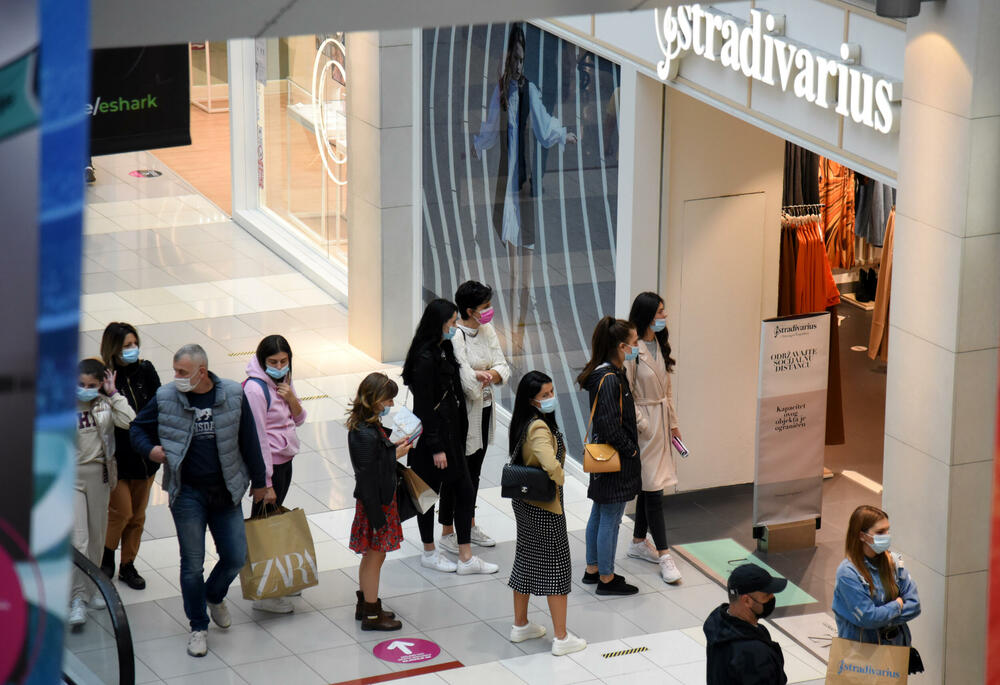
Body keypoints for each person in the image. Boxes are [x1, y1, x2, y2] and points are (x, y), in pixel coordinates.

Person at [130, 344, 274, 658]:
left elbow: (250, 439)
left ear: (202, 372)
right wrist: (150, 450)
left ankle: (214, 594)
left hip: (226, 490)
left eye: (182, 372)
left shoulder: (234, 395)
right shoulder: (167, 397)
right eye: (175, 370)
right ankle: (198, 626)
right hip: (187, 493)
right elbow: (137, 428)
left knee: (236, 556)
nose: (176, 377)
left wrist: (262, 482)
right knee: (192, 564)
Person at [472, 24, 577, 354]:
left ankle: (518, 323)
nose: (518, 64)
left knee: (523, 263)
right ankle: (512, 322)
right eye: (514, 58)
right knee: (513, 263)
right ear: (507, 58)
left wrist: (564, 134)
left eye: (521, 58)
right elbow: (489, 129)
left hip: (525, 185)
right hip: (509, 184)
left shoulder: (528, 90)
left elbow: (545, 128)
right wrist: (475, 145)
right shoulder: (502, 92)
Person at [402, 299, 497, 575]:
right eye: (452, 322)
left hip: (452, 435)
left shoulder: (443, 349)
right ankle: (429, 551)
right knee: (428, 496)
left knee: (464, 490)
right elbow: (424, 408)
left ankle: (466, 556)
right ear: (439, 323)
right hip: (433, 442)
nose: (455, 327)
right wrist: (436, 447)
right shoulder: (424, 358)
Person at [506, 371, 587, 656]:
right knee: (557, 567)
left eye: (552, 392)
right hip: (545, 505)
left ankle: (520, 624)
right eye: (545, 395)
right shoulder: (539, 427)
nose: (551, 398)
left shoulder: (522, 421)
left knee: (526, 557)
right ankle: (562, 638)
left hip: (524, 501)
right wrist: (561, 477)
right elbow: (548, 461)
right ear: (532, 400)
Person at [440, 280, 511, 553]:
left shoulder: (487, 329)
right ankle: (447, 528)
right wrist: (481, 376)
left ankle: (468, 522)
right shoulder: (456, 336)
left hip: (484, 409)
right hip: (462, 414)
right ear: (469, 310)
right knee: (457, 471)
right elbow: (466, 381)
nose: (489, 311)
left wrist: (488, 375)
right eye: (485, 306)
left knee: (476, 470)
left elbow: (502, 367)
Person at [243, 334, 308, 614]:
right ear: (262, 360)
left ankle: (278, 577)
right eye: (273, 362)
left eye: (284, 361)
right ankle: (265, 593)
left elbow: (300, 418)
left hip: (285, 459)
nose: (280, 366)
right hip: (268, 467)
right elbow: (256, 438)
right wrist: (264, 482)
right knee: (263, 525)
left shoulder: (284, 381)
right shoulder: (255, 390)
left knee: (274, 520)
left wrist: (291, 397)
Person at [70, 358, 136, 630]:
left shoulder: (105, 403)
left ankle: (90, 590)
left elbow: (130, 420)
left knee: (97, 538)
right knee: (80, 540)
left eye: (91, 385)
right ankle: (75, 599)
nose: (85, 389)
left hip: (99, 476)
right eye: (80, 384)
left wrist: (114, 393)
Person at [578, 317, 642, 595]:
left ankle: (593, 568)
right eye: (635, 343)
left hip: (605, 458)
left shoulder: (607, 374)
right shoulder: (608, 380)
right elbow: (609, 424)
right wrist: (630, 449)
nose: (637, 347)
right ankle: (606, 577)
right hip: (615, 460)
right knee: (611, 517)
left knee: (600, 511)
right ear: (621, 346)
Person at [624, 292, 683, 584]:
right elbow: (628, 390)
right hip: (645, 428)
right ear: (647, 314)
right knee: (654, 490)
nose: (665, 316)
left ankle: (638, 542)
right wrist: (645, 425)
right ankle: (664, 554)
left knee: (651, 486)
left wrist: (672, 423)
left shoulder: (659, 343)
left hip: (661, 423)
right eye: (660, 312)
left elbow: (667, 389)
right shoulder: (633, 348)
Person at [346, 372, 412, 631]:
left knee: (371, 557)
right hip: (377, 506)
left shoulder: (365, 426)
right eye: (388, 400)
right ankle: (372, 614)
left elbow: (373, 462)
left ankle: (366, 603)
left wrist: (392, 451)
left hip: (375, 503)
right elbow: (368, 475)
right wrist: (377, 519)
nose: (390, 406)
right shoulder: (364, 433)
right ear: (374, 399)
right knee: (375, 557)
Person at [99, 322, 161, 591]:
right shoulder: (103, 380)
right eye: (126, 345)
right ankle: (106, 555)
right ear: (114, 348)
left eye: (135, 344)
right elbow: (124, 422)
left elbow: (161, 404)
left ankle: (128, 564)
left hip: (146, 459)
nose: (133, 349)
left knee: (137, 516)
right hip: (118, 461)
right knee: (121, 512)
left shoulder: (146, 370)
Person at [832, 505, 921, 649]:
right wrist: (897, 605)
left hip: (896, 651)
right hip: (862, 656)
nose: (887, 536)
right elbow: (868, 618)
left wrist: (882, 618)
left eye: (888, 530)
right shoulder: (848, 573)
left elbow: (914, 605)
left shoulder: (894, 562)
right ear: (862, 536)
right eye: (880, 532)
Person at [704, 564, 789, 685]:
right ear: (747, 600)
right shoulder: (755, 653)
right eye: (767, 595)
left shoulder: (718, 623)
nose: (772, 597)